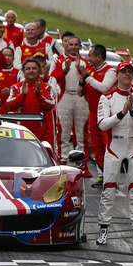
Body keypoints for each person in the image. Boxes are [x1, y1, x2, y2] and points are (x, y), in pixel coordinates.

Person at [96, 62, 133, 246]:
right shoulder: (107, 97)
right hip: (114, 147)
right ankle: (103, 229)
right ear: (117, 74)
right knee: (108, 189)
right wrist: (121, 113)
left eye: (130, 72)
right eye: (124, 72)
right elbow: (102, 124)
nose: (128, 74)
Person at [50, 35, 92, 169]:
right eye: (71, 44)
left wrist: (82, 73)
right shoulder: (60, 61)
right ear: (67, 46)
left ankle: (82, 164)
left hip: (81, 98)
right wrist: (64, 70)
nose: (73, 47)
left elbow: (91, 81)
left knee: (81, 133)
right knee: (63, 132)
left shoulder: (86, 62)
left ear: (80, 46)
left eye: (76, 45)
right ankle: (62, 161)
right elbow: (53, 78)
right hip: (65, 96)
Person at [80, 44, 116, 187]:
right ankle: (102, 176)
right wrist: (81, 83)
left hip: (106, 114)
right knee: (96, 147)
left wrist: (87, 77)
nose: (88, 59)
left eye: (90, 56)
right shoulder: (91, 71)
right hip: (92, 113)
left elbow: (104, 88)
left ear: (99, 57)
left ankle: (111, 177)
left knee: (108, 146)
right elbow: (81, 93)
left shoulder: (110, 71)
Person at [3, 58, 57, 148]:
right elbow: (10, 106)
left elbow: (50, 105)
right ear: (23, 71)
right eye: (28, 69)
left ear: (39, 71)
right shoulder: (16, 87)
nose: (31, 71)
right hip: (21, 131)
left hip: (43, 133)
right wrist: (22, 95)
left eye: (34, 68)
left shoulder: (47, 87)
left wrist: (38, 95)